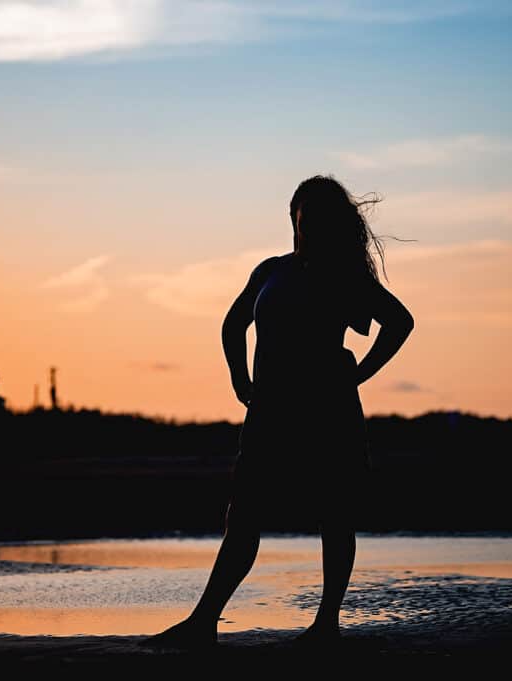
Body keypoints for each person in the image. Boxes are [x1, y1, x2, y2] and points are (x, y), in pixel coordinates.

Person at [141, 175, 414, 649]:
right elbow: (233, 323)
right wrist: (238, 376)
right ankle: (204, 621)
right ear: (293, 217)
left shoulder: (344, 274)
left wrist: (360, 374)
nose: (312, 229)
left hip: (328, 411)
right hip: (270, 411)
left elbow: (400, 321)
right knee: (243, 516)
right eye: (307, 219)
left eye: (323, 220)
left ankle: (326, 623)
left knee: (335, 515)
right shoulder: (270, 270)